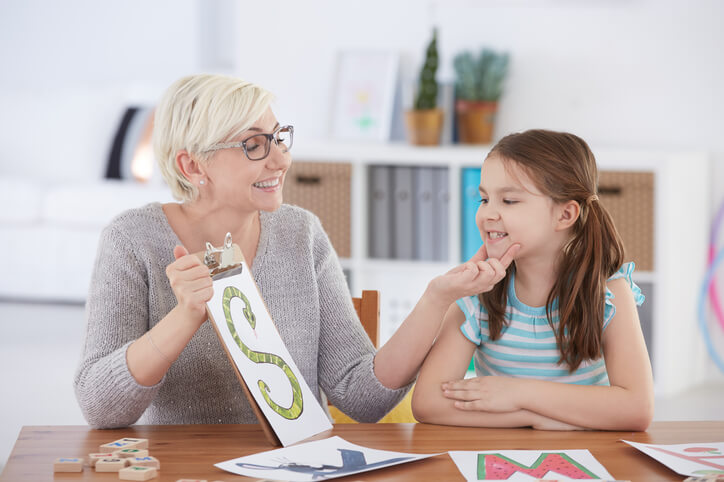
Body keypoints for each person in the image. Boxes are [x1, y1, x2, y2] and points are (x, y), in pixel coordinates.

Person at [74, 73, 503, 428]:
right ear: (192, 166)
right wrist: (185, 316)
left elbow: (362, 397)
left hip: (296, 465)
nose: (280, 160)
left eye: (278, 138)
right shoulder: (132, 240)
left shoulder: (301, 234)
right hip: (188, 467)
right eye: (254, 145)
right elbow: (100, 408)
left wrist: (437, 298)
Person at [411, 129, 654, 431]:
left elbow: (637, 409)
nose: (488, 213)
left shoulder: (609, 293)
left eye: (509, 200)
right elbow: (428, 403)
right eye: (484, 199)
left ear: (565, 215)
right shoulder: (475, 294)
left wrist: (518, 393)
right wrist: (532, 418)